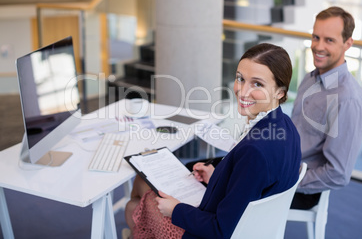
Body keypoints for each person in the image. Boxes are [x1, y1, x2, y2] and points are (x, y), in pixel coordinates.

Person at [124, 43, 302, 238]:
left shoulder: (255, 151)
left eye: (257, 84)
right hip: (250, 225)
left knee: (134, 201)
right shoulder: (285, 126)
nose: (242, 92)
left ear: (280, 92)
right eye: (240, 79)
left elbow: (220, 230)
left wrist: (175, 210)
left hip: (209, 232)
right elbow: (252, 184)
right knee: (141, 189)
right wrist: (217, 176)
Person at [290, 6, 362, 209]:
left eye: (329, 40)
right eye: (316, 37)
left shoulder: (348, 100)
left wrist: (287, 182)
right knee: (208, 169)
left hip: (300, 186)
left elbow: (338, 173)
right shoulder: (311, 79)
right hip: (281, 164)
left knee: (224, 191)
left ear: (347, 43)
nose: (318, 46)